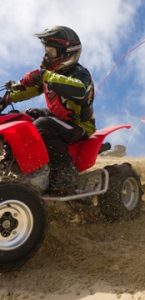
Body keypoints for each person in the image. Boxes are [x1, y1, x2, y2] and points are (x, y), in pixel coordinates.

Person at [1, 26, 96, 193]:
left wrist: (43, 75)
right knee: (24, 116)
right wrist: (6, 99)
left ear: (67, 54)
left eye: (51, 51)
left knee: (43, 124)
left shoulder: (80, 73)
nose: (46, 55)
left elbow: (80, 91)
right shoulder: (51, 74)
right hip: (58, 119)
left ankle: (64, 174)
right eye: (46, 50)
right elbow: (28, 91)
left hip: (79, 126)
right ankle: (12, 161)